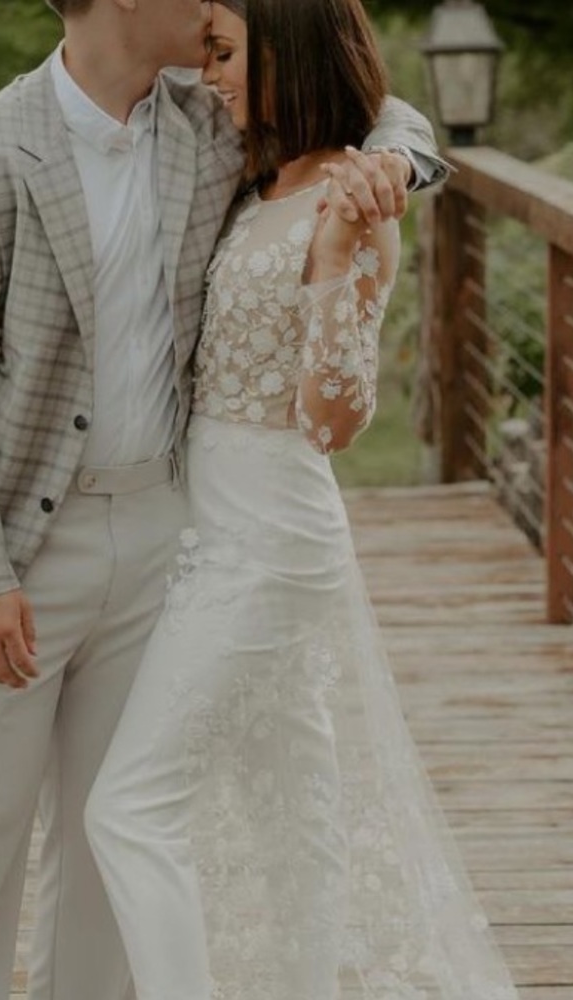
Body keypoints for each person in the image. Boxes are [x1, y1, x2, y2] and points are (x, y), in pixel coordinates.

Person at [0, 0, 446, 995]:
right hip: (9, 557)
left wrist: (397, 165)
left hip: (164, 541)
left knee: (107, 864)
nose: (208, 4)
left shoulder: (206, 113)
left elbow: (372, 104)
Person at [84, 2, 519, 999]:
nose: (211, 76)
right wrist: (400, 151)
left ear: (290, 50)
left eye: (228, 55)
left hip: (271, 541)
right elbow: (399, 115)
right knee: (295, 809)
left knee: (129, 806)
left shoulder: (353, 202)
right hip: (209, 530)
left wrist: (335, 268)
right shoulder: (257, 173)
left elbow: (335, 420)